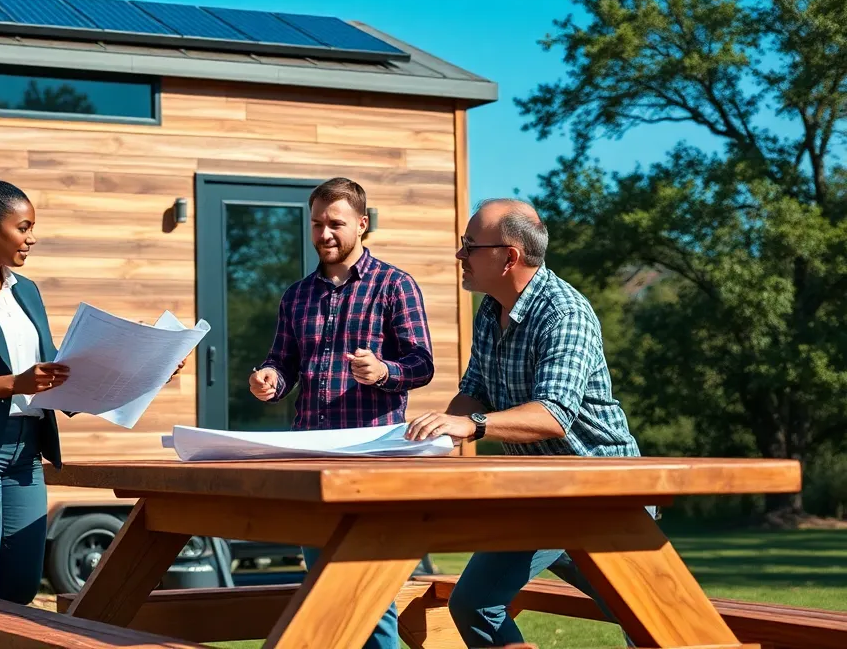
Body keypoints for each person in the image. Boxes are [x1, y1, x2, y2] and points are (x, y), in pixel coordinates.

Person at [0, 163, 180, 604]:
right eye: (24, 227)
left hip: (25, 453)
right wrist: (14, 384)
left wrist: (144, 370)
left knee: (19, 587)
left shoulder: (27, 291)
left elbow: (56, 373)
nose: (32, 238)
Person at [405, 198, 644, 648]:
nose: (460, 256)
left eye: (468, 245)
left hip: (604, 495)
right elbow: (475, 391)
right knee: (474, 602)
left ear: (508, 256)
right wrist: (427, 437)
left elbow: (552, 415)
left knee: (648, 618)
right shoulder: (490, 310)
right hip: (543, 495)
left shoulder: (564, 313)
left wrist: (470, 426)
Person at [248, 177, 434, 649]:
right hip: (310, 457)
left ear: (362, 224)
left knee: (370, 597)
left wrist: (383, 370)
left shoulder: (395, 286)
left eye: (335, 223)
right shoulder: (296, 296)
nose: (324, 234)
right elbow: (284, 363)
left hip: (373, 457)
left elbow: (421, 364)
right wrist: (269, 380)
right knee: (327, 588)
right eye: (316, 224)